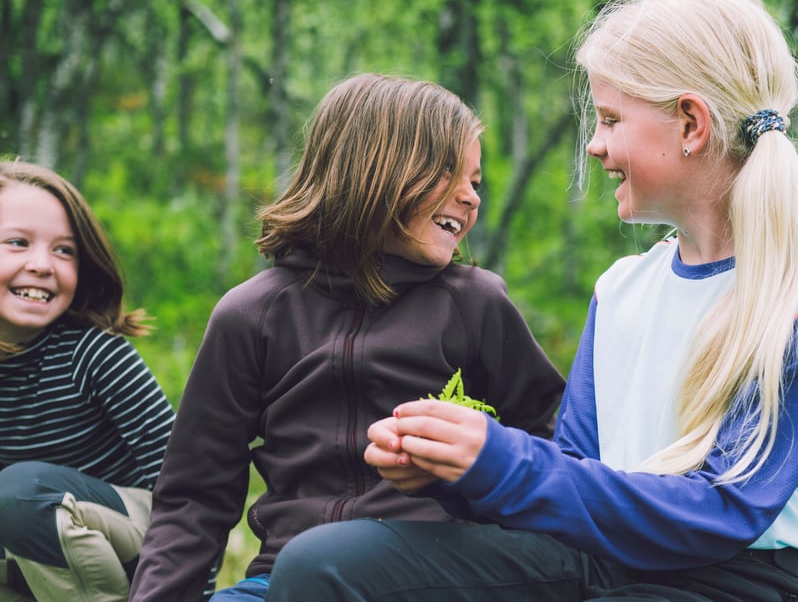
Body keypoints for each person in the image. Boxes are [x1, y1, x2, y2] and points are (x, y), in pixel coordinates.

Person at [263, 0, 798, 602]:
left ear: (690, 123)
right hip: (600, 560)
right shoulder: (622, 289)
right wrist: (458, 472)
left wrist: (501, 460)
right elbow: (577, 475)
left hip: (745, 578)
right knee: (324, 563)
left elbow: (723, 513)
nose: (595, 143)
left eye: (611, 119)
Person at [128, 73, 565, 602]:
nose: (472, 197)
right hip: (284, 578)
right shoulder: (250, 315)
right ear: (375, 169)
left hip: (431, 576)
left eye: (477, 181)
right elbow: (193, 499)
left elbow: (549, 452)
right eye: (452, 173)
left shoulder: (476, 305)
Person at [0, 160, 175, 602]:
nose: (42, 265)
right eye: (18, 243)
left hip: (134, 535)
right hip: (30, 550)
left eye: (65, 250)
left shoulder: (93, 352)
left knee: (22, 494)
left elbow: (186, 484)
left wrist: (190, 590)